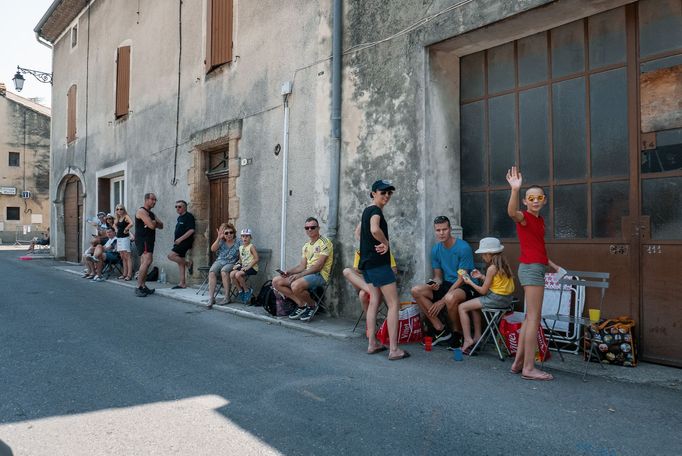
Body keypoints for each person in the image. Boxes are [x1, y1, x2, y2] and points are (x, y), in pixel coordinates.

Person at [506, 166, 561, 381]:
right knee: (534, 319)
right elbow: (511, 213)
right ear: (525, 201)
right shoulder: (525, 217)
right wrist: (514, 190)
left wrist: (554, 266)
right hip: (531, 269)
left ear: (544, 200)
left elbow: (537, 249)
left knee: (530, 318)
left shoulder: (539, 221)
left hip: (536, 266)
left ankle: (519, 363)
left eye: (539, 197)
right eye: (531, 198)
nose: (535, 200)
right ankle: (529, 367)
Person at [358, 179, 408, 360]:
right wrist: (385, 243)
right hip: (378, 264)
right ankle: (394, 349)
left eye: (389, 193)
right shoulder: (376, 211)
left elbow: (359, 232)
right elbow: (374, 229)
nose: (386, 196)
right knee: (394, 304)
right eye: (382, 192)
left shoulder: (366, 211)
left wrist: (370, 245)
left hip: (367, 264)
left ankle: (372, 343)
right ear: (373, 193)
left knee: (374, 302)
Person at [411, 215, 476, 346]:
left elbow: (462, 279)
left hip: (465, 285)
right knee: (416, 290)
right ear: (435, 231)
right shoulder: (436, 250)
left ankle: (458, 334)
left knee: (451, 298)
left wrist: (442, 300)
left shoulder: (463, 248)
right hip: (447, 284)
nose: (441, 233)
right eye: (438, 230)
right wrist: (434, 284)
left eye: (444, 229)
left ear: (450, 229)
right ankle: (440, 329)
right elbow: (438, 277)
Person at [458, 237, 515, 354]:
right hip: (507, 300)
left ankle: (468, 340)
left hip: (495, 299)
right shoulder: (503, 264)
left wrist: (469, 282)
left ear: (489, 253)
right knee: (473, 305)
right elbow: (497, 284)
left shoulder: (491, 268)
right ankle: (478, 337)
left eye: (483, 254)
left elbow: (483, 291)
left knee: (462, 307)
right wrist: (481, 277)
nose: (482, 257)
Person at [273, 217, 334, 323]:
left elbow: (318, 267)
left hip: (320, 275)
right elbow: (302, 266)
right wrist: (289, 272)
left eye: (312, 227)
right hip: (307, 274)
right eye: (307, 228)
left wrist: (300, 275)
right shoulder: (306, 246)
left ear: (318, 228)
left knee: (295, 284)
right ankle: (301, 304)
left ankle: (312, 305)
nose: (309, 230)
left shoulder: (325, 242)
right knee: (276, 281)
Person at [135, 192, 164, 297]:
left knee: (145, 262)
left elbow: (162, 225)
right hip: (144, 240)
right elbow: (152, 226)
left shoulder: (150, 213)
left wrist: (153, 222)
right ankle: (138, 287)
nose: (154, 202)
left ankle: (143, 285)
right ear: (146, 199)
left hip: (149, 240)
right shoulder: (141, 211)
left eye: (155, 200)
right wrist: (153, 223)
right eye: (152, 199)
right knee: (147, 261)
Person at [207, 222, 240, 308]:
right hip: (220, 261)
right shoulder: (221, 241)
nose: (229, 234)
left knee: (224, 271)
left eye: (231, 232)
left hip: (231, 262)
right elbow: (212, 249)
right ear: (223, 234)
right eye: (226, 233)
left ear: (234, 233)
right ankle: (211, 298)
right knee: (212, 272)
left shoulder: (238, 242)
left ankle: (227, 297)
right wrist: (218, 237)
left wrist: (239, 263)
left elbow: (243, 254)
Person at [167, 200, 196, 289]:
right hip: (179, 242)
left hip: (184, 242)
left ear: (185, 207)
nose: (177, 208)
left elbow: (191, 230)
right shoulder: (180, 218)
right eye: (176, 207)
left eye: (179, 207)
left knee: (171, 256)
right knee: (180, 262)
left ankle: (188, 264)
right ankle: (182, 283)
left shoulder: (188, 216)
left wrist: (180, 239)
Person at [230, 228, 259, 304]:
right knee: (232, 274)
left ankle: (247, 290)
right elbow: (241, 260)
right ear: (241, 237)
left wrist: (248, 267)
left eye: (247, 236)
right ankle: (240, 291)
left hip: (252, 268)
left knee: (238, 274)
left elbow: (256, 259)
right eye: (243, 236)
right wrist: (237, 265)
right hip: (243, 267)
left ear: (250, 237)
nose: (245, 238)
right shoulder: (241, 247)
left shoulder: (251, 246)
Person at [114, 204, 134, 280]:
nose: (119, 210)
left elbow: (131, 223)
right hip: (119, 238)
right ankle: (124, 274)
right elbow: (114, 225)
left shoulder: (126, 216)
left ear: (124, 209)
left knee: (127, 256)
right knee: (122, 256)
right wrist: (116, 229)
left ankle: (129, 275)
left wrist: (126, 229)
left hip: (125, 238)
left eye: (121, 209)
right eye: (117, 209)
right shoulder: (118, 217)